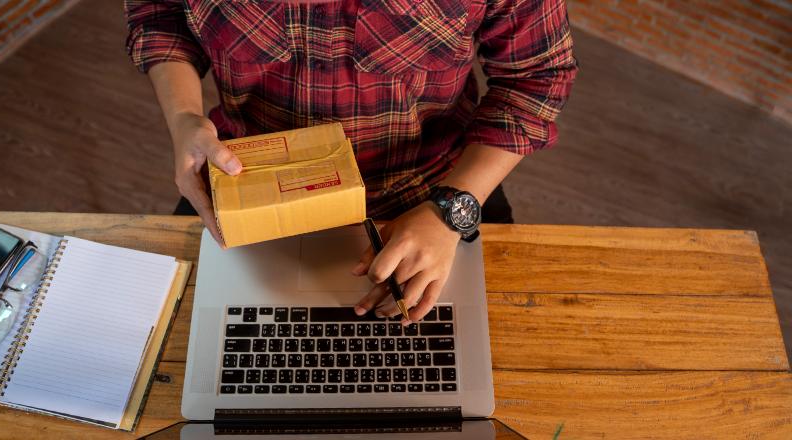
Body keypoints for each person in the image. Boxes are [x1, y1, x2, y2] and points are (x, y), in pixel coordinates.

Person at [124, 0, 576, 324]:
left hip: (433, 193)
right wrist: (185, 119)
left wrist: (450, 211)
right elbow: (161, 16)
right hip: (247, 185)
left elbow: (536, 77)